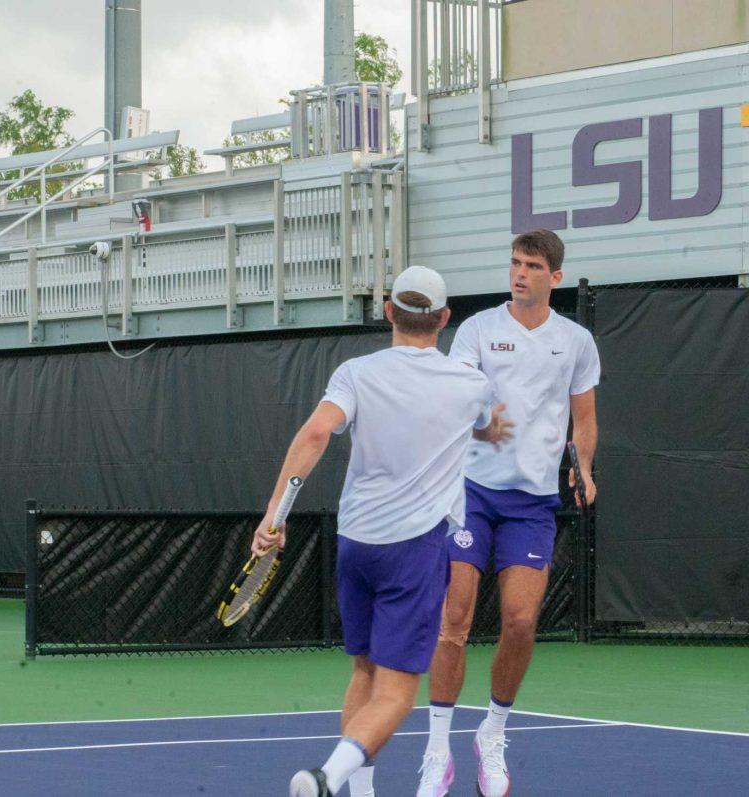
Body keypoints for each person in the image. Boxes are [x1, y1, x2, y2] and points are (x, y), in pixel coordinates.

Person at [255, 266, 511, 797]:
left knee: (364, 672)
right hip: (413, 551)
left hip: (355, 545)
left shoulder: (355, 373)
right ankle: (327, 777)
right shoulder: (472, 384)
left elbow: (316, 432)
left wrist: (275, 516)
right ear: (443, 320)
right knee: (397, 693)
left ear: (389, 312)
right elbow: (484, 423)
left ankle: (361, 791)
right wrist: (491, 428)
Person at [416, 229, 601, 797]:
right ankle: (436, 747)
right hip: (471, 492)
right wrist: (479, 423)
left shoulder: (575, 341)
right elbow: (457, 400)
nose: (519, 273)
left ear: (554, 277)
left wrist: (585, 466)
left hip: (533, 504)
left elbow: (584, 420)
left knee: (521, 621)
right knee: (456, 619)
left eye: (532, 266)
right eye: (515, 263)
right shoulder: (475, 330)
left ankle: (491, 734)